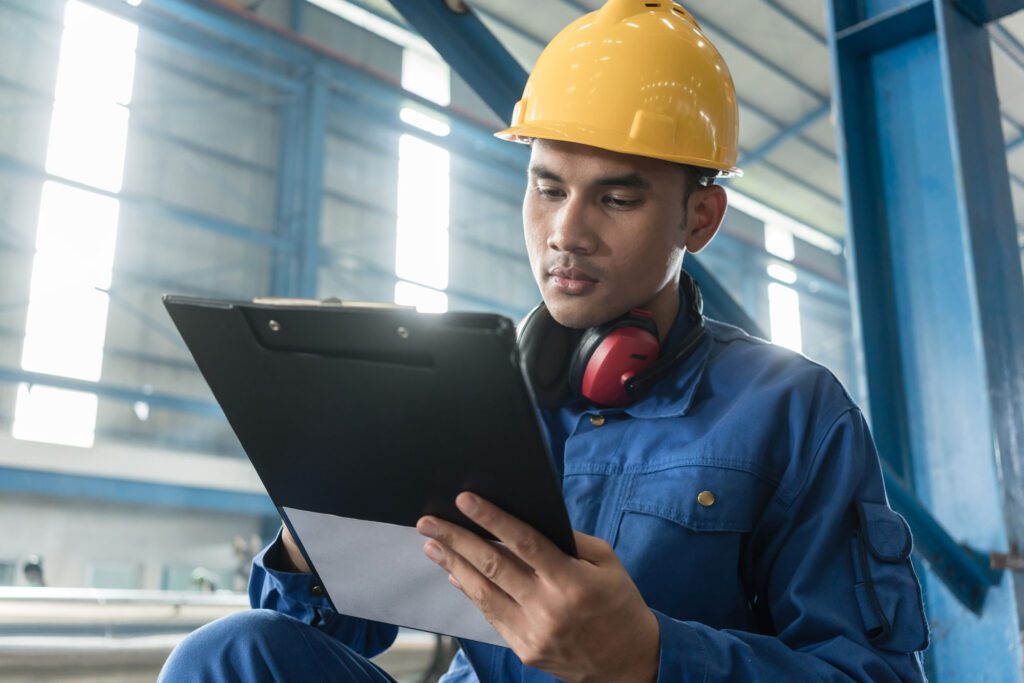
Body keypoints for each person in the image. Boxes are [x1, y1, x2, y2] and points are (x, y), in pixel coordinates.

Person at [160, 0, 929, 680]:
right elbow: (327, 631)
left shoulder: (793, 412)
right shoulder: (468, 390)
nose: (567, 232)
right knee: (231, 655)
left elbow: (875, 676)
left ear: (701, 218)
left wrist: (652, 659)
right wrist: (322, 518)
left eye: (618, 197)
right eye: (548, 186)